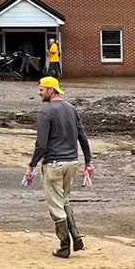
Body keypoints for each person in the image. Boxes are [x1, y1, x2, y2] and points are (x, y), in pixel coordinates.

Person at [24, 77, 93, 258]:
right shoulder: (71, 109)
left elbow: (42, 144)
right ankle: (76, 235)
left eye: (42, 90)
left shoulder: (46, 112)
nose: (39, 93)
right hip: (72, 163)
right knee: (64, 201)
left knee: (56, 206)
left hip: (54, 164)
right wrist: (88, 161)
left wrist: (31, 165)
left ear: (52, 90)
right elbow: (82, 136)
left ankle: (64, 247)